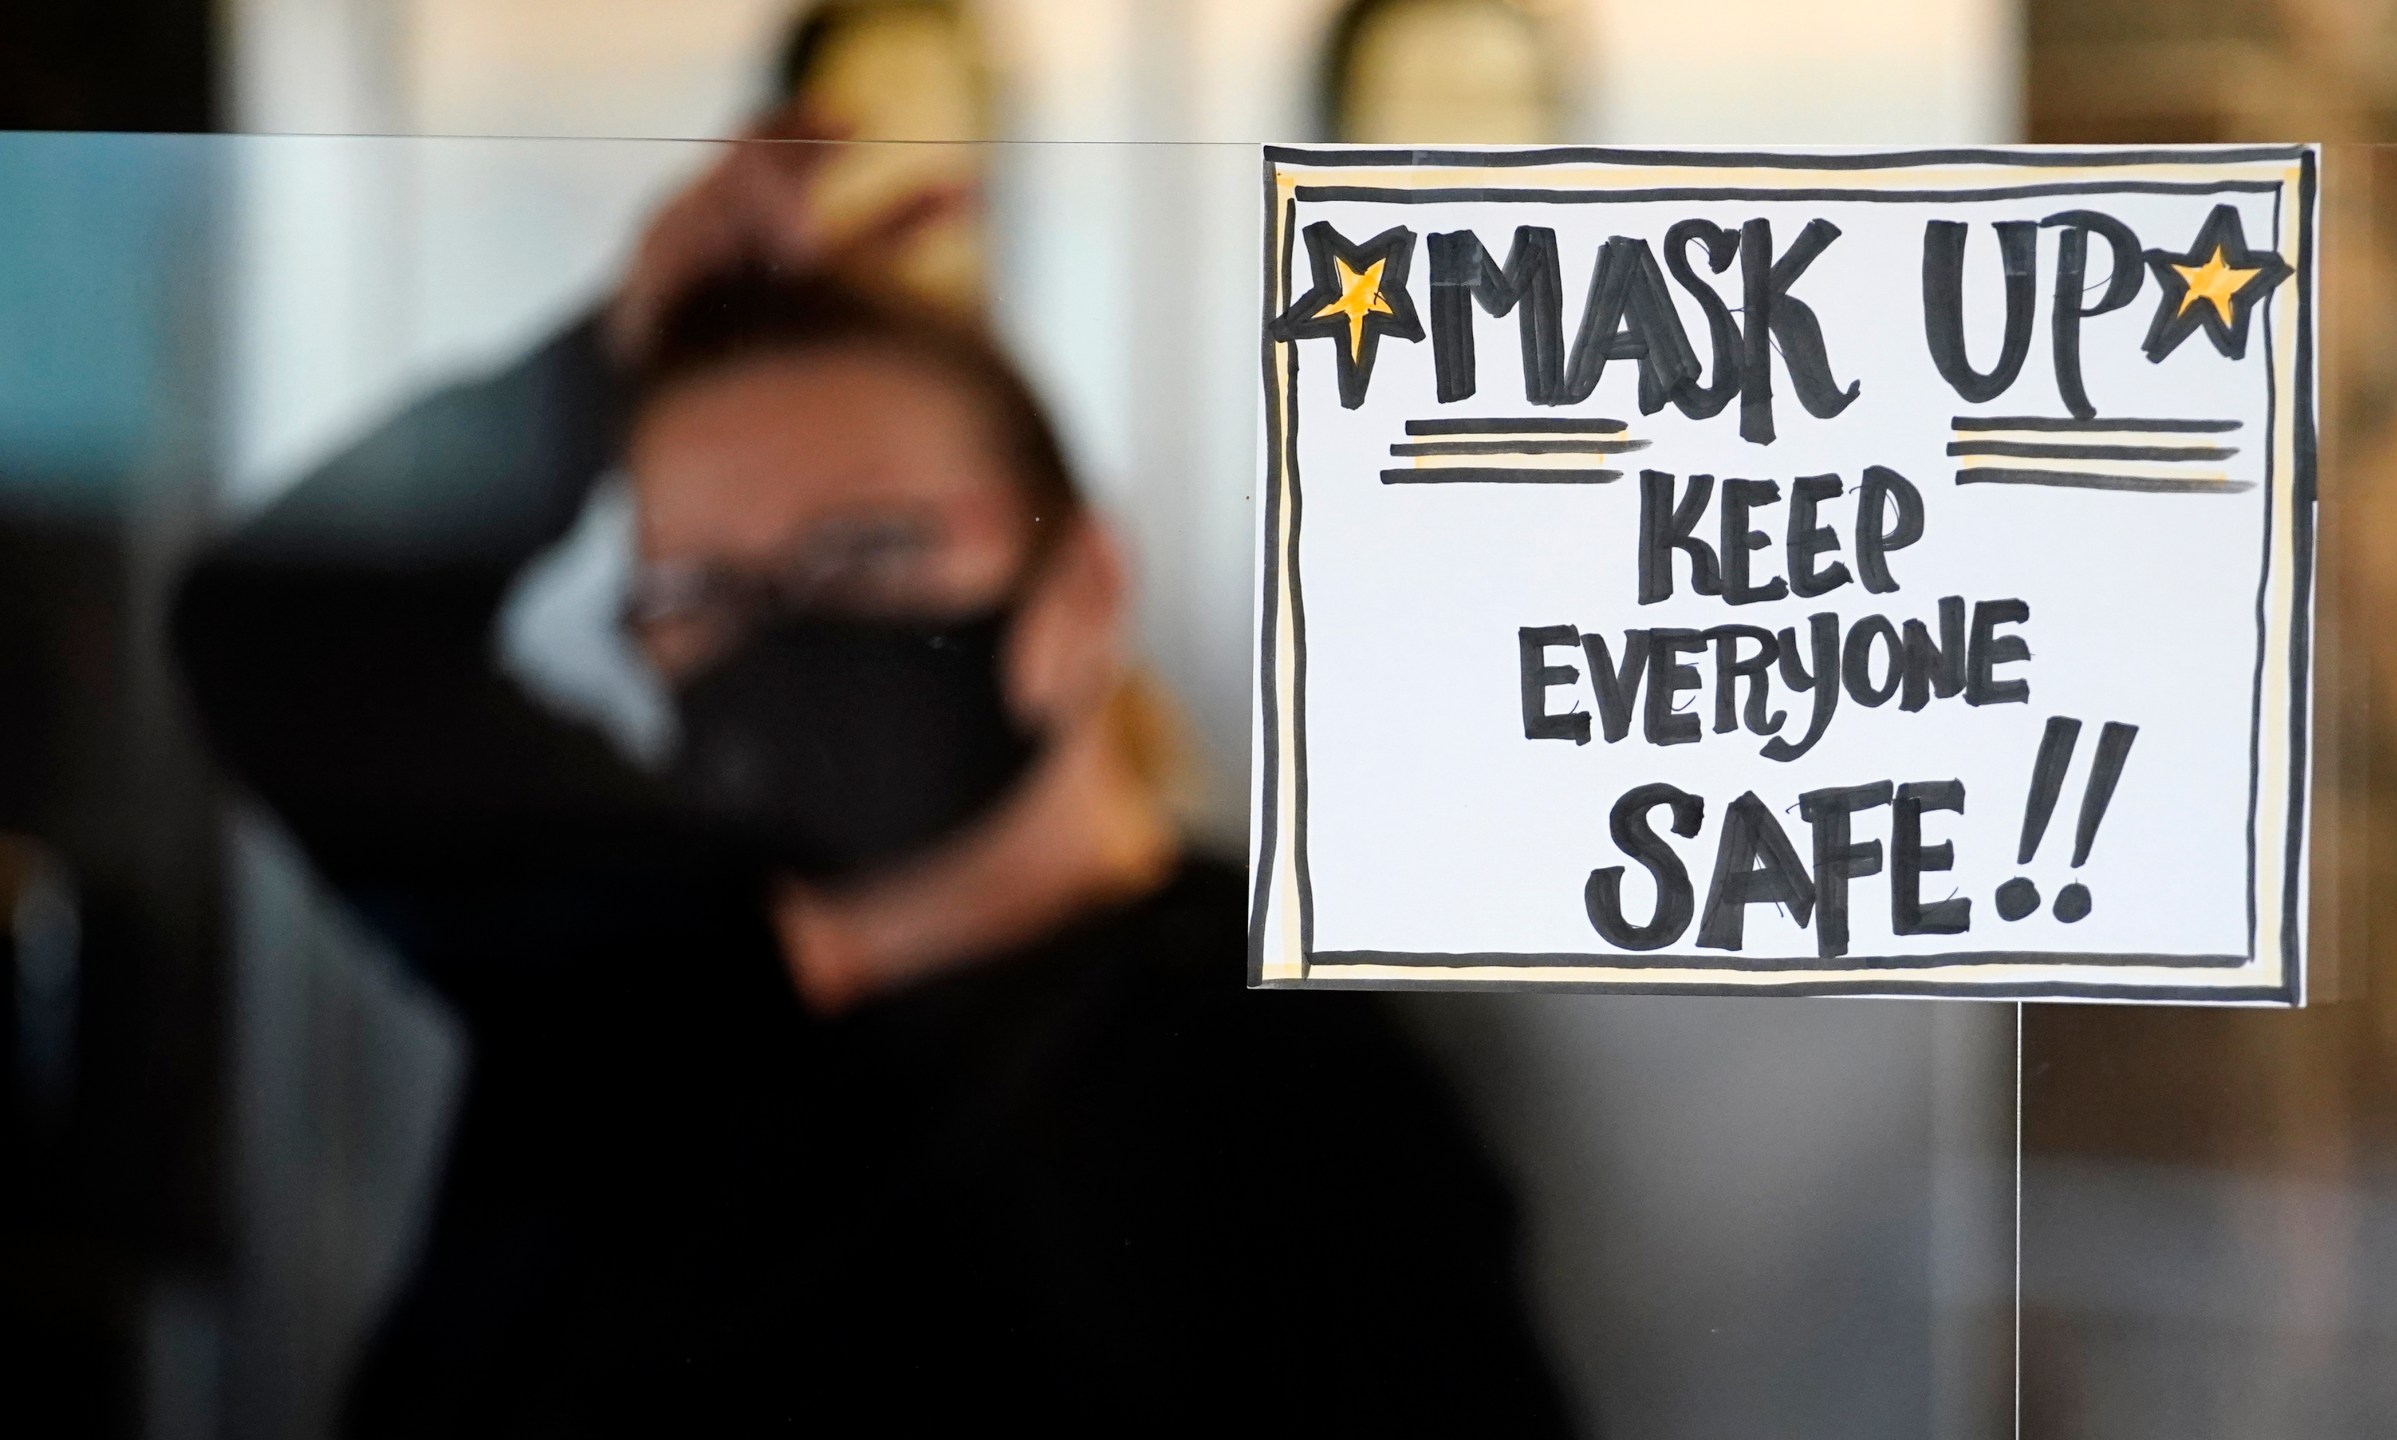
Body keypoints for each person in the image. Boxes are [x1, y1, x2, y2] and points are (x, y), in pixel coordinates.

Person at [173, 141, 1572, 1434]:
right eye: (701, 590)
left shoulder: (1287, 1103)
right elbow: (281, 636)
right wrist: (600, 356)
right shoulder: (637, 950)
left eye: (865, 553)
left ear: (1082, 586)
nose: (777, 630)